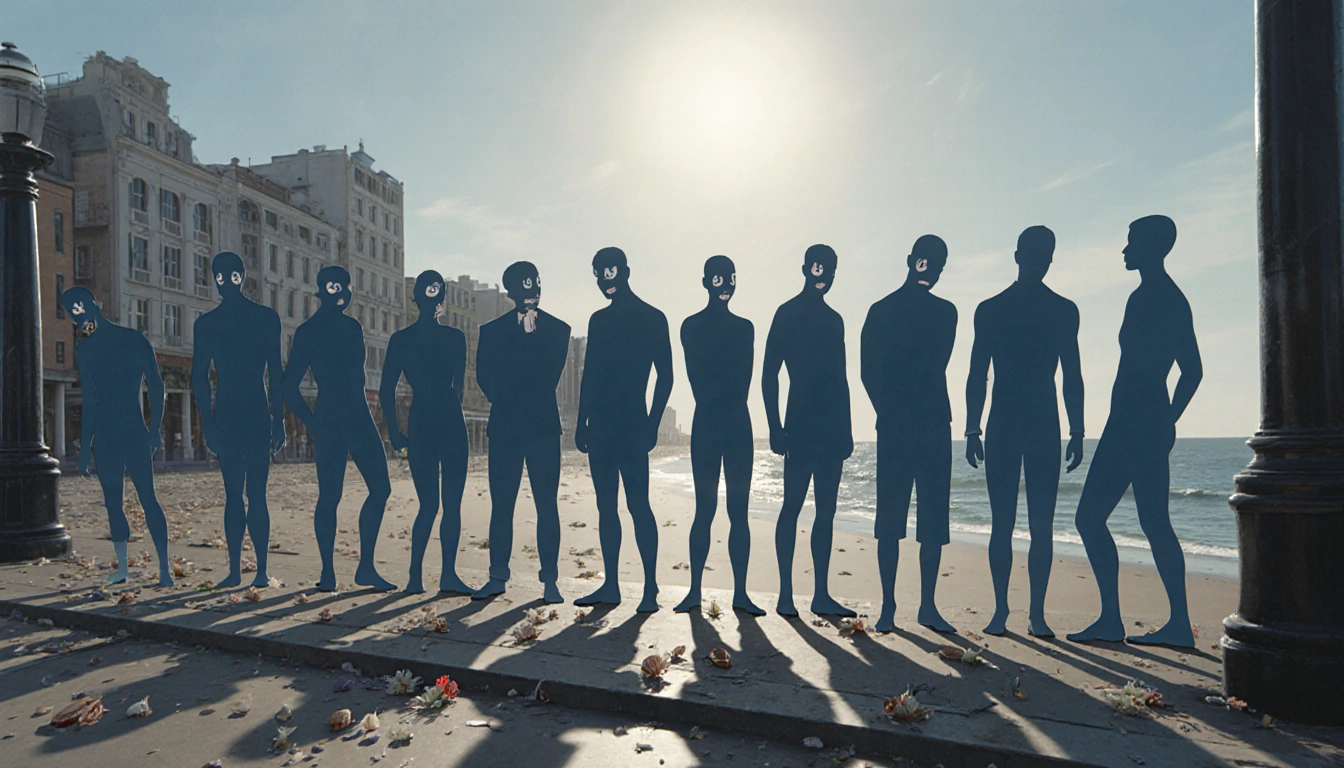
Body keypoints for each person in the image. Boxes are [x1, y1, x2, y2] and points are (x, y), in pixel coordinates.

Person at [1068, 215, 1201, 648]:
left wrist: (1168, 419)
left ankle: (1161, 622)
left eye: (1131, 243)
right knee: (1139, 520)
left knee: (1102, 517)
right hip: (1129, 421)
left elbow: (1192, 371)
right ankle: (1137, 620)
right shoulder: (1142, 296)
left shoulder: (1164, 298)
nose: (1124, 251)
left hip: (1138, 423)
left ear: (1152, 247)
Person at [964, 225, 1085, 637]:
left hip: (1041, 424)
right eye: (1034, 255)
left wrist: (1079, 429)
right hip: (1005, 423)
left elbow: (1073, 375)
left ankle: (1035, 613)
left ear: (1050, 260)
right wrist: (970, 428)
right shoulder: (991, 309)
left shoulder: (1063, 310)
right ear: (1018, 256)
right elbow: (977, 373)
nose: (1039, 263)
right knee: (1003, 521)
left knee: (1041, 524)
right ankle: (1002, 609)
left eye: (1045, 256)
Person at [861, 235, 958, 633]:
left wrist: (891, 407)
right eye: (927, 262)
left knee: (932, 519)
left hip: (930, 422)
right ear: (912, 261)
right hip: (905, 423)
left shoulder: (944, 311)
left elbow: (933, 361)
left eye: (938, 264)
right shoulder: (882, 310)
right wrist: (889, 410)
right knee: (890, 520)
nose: (932, 270)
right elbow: (868, 371)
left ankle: (927, 606)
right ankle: (889, 605)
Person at [283, 265, 396, 592]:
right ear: (322, 291)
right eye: (335, 287)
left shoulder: (352, 327)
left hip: (356, 415)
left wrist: (314, 419)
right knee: (330, 495)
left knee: (379, 488)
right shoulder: (309, 332)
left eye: (345, 287)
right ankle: (329, 572)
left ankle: (364, 568)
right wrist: (312, 421)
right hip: (334, 416)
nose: (342, 293)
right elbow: (289, 386)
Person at [573, 247, 674, 613]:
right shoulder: (598, 321)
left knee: (638, 505)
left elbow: (666, 376)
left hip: (632, 422)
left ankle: (650, 588)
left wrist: (653, 423)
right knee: (606, 507)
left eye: (610, 271)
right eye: (599, 274)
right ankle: (612, 585)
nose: (604, 279)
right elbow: (590, 375)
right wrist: (582, 422)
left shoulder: (652, 318)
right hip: (602, 424)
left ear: (626, 271)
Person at [763, 244, 856, 618]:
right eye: (819, 269)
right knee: (792, 507)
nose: (824, 275)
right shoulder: (786, 314)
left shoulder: (835, 320)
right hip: (799, 425)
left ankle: (820, 594)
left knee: (826, 512)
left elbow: (841, 377)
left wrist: (847, 429)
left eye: (831, 271)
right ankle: (785, 594)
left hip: (832, 428)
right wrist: (774, 426)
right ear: (805, 269)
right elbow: (770, 373)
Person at [471, 261, 570, 604]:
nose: (533, 290)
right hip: (506, 427)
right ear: (510, 291)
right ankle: (497, 576)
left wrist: (512, 392)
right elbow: (484, 376)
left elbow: (549, 376)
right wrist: (507, 400)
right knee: (502, 506)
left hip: (542, 428)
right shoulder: (491, 331)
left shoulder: (559, 330)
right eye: (525, 285)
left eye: (537, 284)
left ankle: (550, 581)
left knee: (547, 506)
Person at [61, 287, 174, 588]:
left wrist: (154, 431)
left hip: (133, 431)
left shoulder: (132, 339)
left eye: (80, 308)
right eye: (73, 312)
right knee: (113, 503)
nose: (78, 315)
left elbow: (157, 385)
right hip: (109, 435)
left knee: (148, 498)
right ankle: (123, 567)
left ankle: (165, 568)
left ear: (94, 306)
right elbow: (90, 400)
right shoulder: (86, 349)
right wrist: (85, 447)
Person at [675, 256, 764, 615]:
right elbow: (699, 379)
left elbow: (744, 381)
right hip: (712, 423)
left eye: (729, 278)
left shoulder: (746, 327)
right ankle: (694, 590)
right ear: (705, 282)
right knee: (705, 509)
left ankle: (740, 593)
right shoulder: (690, 326)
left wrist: (720, 398)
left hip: (733, 423)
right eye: (717, 278)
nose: (724, 284)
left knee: (737, 511)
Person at [192, 251, 286, 589]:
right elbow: (275, 374)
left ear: (238, 278)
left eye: (228, 277)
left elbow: (201, 380)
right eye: (222, 277)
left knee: (239, 494)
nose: (225, 283)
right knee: (252, 494)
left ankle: (240, 570)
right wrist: (279, 422)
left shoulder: (208, 323)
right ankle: (254, 570)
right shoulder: (264, 318)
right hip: (253, 411)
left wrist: (208, 423)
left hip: (231, 412)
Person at [380, 270, 475, 595]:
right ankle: (445, 575)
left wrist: (395, 430)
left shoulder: (402, 340)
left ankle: (416, 577)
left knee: (429, 505)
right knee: (448, 505)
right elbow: (459, 387)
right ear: (439, 301)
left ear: (416, 298)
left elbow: (386, 390)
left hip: (423, 420)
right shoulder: (455, 339)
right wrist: (395, 429)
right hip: (449, 419)